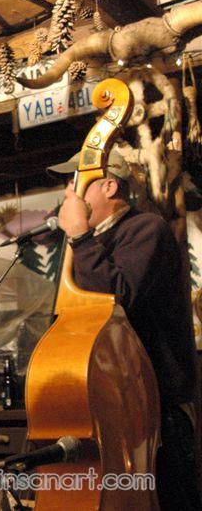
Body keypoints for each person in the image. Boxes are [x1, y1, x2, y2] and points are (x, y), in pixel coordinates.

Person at [49, 148, 202, 510]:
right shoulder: (89, 244)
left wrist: (80, 237)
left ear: (109, 186)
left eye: (77, 182)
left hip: (158, 413)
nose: (69, 193)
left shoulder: (146, 229)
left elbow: (116, 299)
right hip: (116, 409)